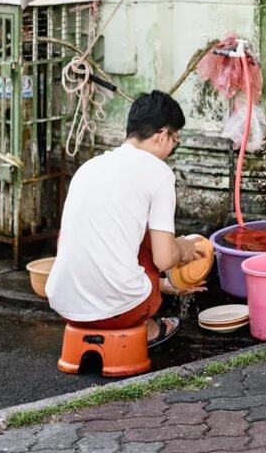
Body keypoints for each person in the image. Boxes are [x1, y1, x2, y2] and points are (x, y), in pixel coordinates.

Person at [46, 90, 204, 346]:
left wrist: (161, 284)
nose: (172, 146)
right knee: (157, 241)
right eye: (175, 140)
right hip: (121, 311)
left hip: (65, 304)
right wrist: (183, 248)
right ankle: (149, 329)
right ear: (163, 135)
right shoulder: (159, 173)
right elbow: (163, 258)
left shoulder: (89, 167)